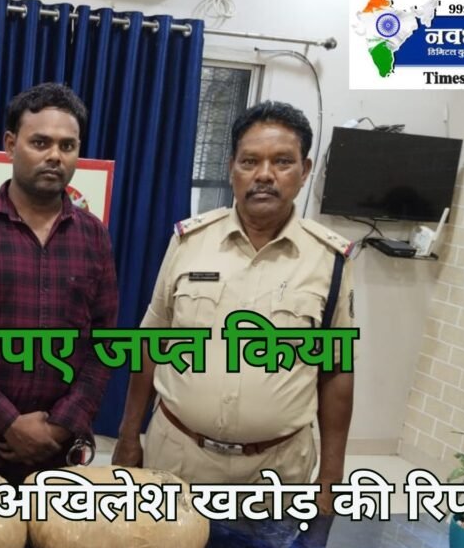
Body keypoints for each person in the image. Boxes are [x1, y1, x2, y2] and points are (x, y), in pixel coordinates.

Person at [113, 100, 355, 513]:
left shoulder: (330, 259)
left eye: (282, 162)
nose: (264, 175)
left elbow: (336, 370)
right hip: (178, 457)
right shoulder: (188, 242)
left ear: (305, 170)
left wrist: (332, 478)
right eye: (250, 161)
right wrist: (127, 435)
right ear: (231, 169)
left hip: (278, 470)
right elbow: (151, 343)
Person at [0, 83, 119, 486]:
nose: (55, 156)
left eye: (67, 146)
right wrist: (10, 423)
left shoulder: (93, 236)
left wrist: (60, 426)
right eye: (40, 142)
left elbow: (104, 344)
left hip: (61, 451)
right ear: (11, 145)